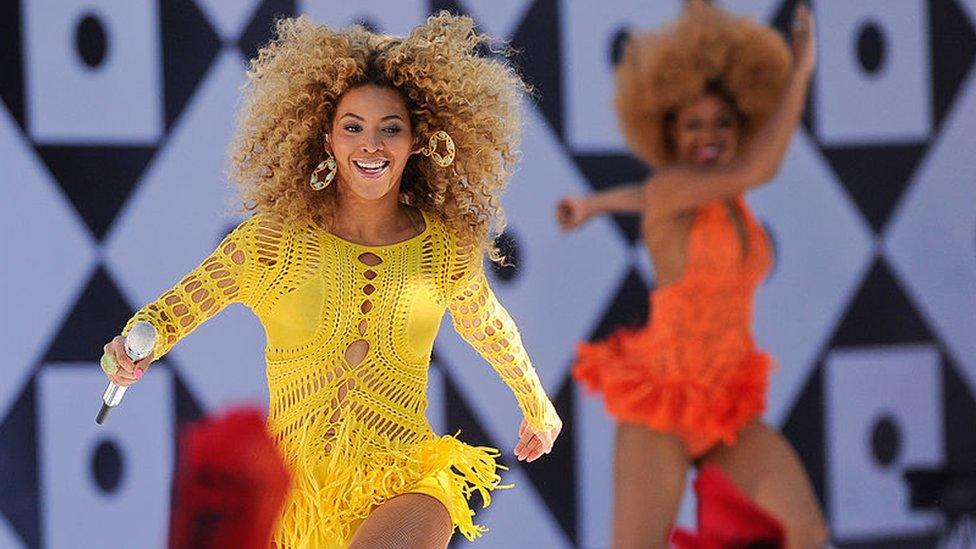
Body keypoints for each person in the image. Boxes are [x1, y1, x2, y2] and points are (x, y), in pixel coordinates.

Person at [100, 13, 561, 548]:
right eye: (353, 127)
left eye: (391, 128)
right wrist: (134, 347)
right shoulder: (272, 243)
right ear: (327, 139)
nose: (372, 145)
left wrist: (536, 404)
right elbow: (177, 308)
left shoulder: (444, 249)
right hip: (293, 503)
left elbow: (487, 324)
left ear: (417, 142)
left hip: (407, 481)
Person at [556, 3, 827, 547]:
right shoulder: (676, 189)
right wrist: (799, 74)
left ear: (740, 127)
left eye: (722, 123)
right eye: (693, 124)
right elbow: (756, 167)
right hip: (663, 398)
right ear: (670, 134)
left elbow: (677, 188)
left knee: (805, 533)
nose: (709, 136)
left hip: (725, 397)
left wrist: (595, 205)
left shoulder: (729, 200)